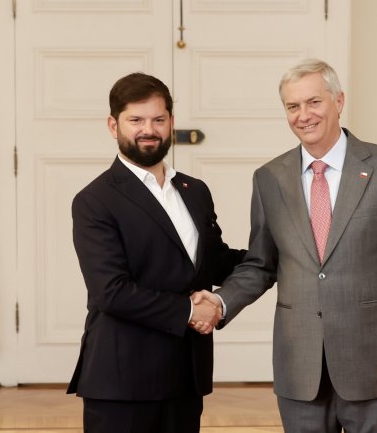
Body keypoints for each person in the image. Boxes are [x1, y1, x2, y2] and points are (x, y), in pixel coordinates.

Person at [192, 58, 377, 433]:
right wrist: (221, 302)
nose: (303, 115)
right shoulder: (270, 178)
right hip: (298, 367)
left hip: (374, 365)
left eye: (314, 102)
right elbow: (261, 264)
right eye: (293, 106)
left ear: (338, 101)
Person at [67, 72, 245, 433]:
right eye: (136, 120)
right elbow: (111, 291)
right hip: (121, 381)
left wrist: (282, 255)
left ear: (171, 123)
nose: (148, 129)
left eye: (158, 119)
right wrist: (192, 310)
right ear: (113, 125)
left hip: (184, 375)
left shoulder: (195, 191)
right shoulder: (94, 201)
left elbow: (215, 261)